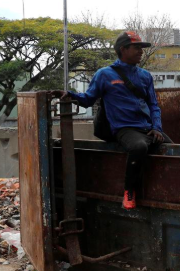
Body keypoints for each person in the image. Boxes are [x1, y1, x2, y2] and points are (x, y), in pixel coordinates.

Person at [53, 31, 165, 210]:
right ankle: (129, 191)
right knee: (139, 147)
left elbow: (153, 105)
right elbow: (88, 98)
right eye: (137, 47)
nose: (141, 51)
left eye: (141, 48)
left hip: (147, 127)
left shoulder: (145, 76)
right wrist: (70, 95)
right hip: (123, 128)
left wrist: (157, 128)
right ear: (123, 49)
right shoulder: (104, 74)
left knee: (175, 148)